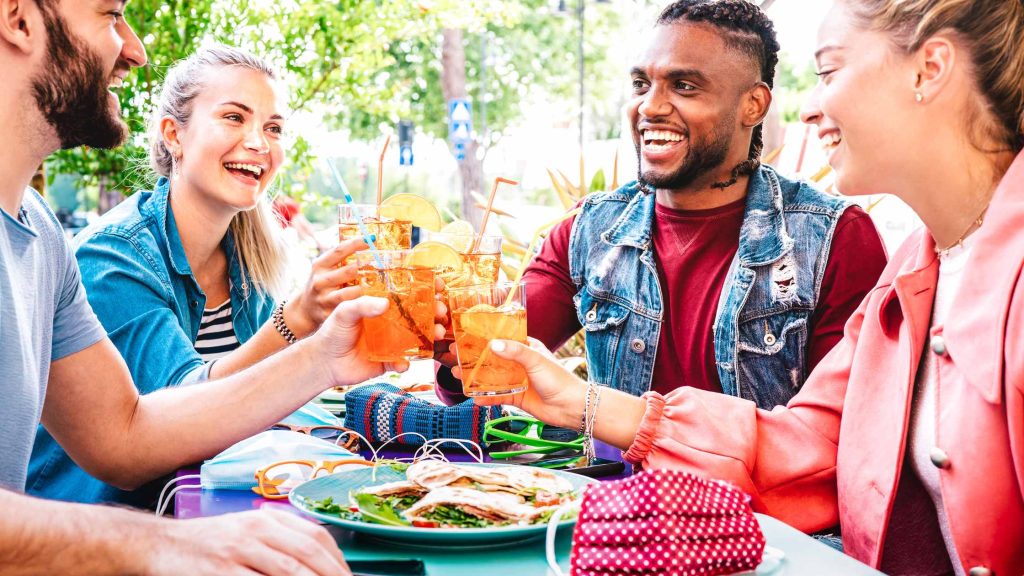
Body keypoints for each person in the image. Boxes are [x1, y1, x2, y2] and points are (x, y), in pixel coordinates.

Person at [475, 0, 1024, 573]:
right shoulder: (915, 267)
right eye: (641, 82)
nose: (809, 109)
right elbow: (810, 442)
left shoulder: (843, 237)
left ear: (929, 69)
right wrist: (575, 400)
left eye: (829, 73)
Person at [0, 1, 440, 573]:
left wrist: (325, 357)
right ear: (17, 18)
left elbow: (125, 437)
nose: (135, 50)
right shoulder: (114, 252)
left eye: (272, 127)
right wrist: (160, 542)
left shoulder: (40, 234)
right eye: (111, 16)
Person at [436, 0, 887, 413]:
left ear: (754, 105)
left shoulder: (834, 240)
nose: (649, 106)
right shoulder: (590, 230)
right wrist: (449, 342)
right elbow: (485, 369)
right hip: (612, 501)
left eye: (684, 86)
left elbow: (841, 432)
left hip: (757, 504)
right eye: (640, 84)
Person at [28, 44, 367, 507]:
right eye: (234, 117)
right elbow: (181, 409)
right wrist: (298, 322)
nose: (259, 143)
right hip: (97, 522)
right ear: (174, 134)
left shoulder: (250, 258)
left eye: (273, 128)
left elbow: (268, 399)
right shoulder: (115, 258)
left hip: (207, 502)